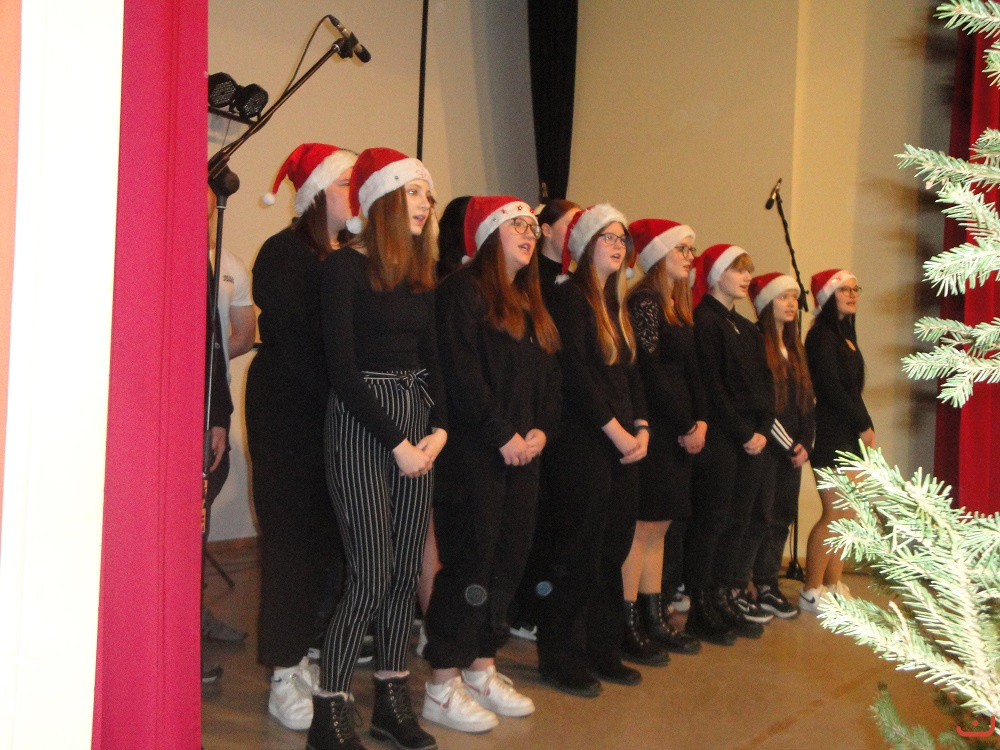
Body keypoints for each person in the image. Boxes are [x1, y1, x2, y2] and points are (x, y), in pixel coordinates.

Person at [313, 147, 446, 750]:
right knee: (370, 573)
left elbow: (433, 363)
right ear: (383, 201)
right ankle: (329, 708)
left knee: (403, 573)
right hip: (363, 428)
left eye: (428, 195)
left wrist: (439, 430)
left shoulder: (420, 277)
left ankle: (392, 700)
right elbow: (342, 372)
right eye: (414, 192)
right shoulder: (343, 269)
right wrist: (397, 442)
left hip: (417, 425)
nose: (425, 203)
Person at [422, 196, 561, 733]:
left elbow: (549, 378)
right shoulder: (461, 292)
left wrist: (541, 429)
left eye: (532, 226)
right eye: (516, 224)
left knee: (507, 561)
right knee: (470, 564)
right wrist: (501, 433)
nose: (529, 232)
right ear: (487, 235)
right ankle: (442, 682)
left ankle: (481, 666)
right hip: (475, 454)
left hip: (523, 455)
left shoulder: (529, 301)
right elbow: (460, 375)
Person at [244, 143, 356, 730]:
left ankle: (308, 655)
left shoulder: (348, 257)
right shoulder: (283, 252)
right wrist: (344, 394)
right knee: (291, 544)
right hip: (290, 414)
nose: (356, 194)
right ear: (315, 194)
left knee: (327, 544)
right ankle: (283, 673)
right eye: (345, 184)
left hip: (334, 416)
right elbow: (295, 341)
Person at [536, 204, 651, 697]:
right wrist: (616, 432)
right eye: (608, 237)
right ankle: (561, 655)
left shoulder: (614, 303)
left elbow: (631, 373)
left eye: (622, 238)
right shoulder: (569, 298)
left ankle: (603, 648)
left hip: (623, 443)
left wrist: (641, 426)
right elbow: (577, 378)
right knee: (578, 551)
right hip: (584, 444)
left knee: (613, 550)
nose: (618, 245)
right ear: (584, 244)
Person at [622, 219, 705, 657]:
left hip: (681, 429)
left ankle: (655, 619)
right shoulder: (644, 301)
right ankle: (629, 623)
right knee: (643, 528)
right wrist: (686, 425)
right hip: (659, 427)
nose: (690, 258)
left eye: (692, 250)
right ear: (657, 255)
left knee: (661, 528)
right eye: (682, 249)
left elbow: (691, 372)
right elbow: (650, 372)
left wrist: (701, 421)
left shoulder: (677, 304)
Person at [687, 244, 775, 642]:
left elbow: (765, 382)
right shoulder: (705, 321)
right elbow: (713, 386)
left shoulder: (747, 327)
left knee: (739, 520)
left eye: (748, 270)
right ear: (716, 274)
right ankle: (701, 605)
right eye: (738, 270)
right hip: (724, 438)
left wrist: (764, 427)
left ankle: (725, 595)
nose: (746, 277)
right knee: (714, 521)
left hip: (753, 438)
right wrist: (743, 432)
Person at [507, 198, 581, 642]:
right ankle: (524, 607)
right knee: (534, 522)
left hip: (551, 420)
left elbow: (554, 364)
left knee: (551, 521)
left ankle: (541, 602)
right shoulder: (537, 283)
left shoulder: (565, 284)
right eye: (571, 223)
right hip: (527, 424)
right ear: (547, 229)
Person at [801, 269, 872, 612]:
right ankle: (811, 590)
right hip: (830, 433)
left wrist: (864, 425)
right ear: (828, 296)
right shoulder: (821, 336)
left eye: (856, 289)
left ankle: (832, 584)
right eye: (845, 290)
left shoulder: (845, 336)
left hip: (849, 431)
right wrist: (863, 424)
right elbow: (830, 388)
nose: (853, 294)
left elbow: (853, 391)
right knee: (835, 512)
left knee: (849, 514)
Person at [747, 273, 816, 619]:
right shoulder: (757, 343)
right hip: (770, 449)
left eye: (793, 297)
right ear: (765, 303)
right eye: (783, 297)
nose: (791, 304)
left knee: (782, 516)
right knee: (762, 516)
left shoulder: (795, 346)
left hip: (792, 450)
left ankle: (769, 582)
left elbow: (806, 402)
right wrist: (789, 444)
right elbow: (763, 405)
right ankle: (751, 584)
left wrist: (806, 442)